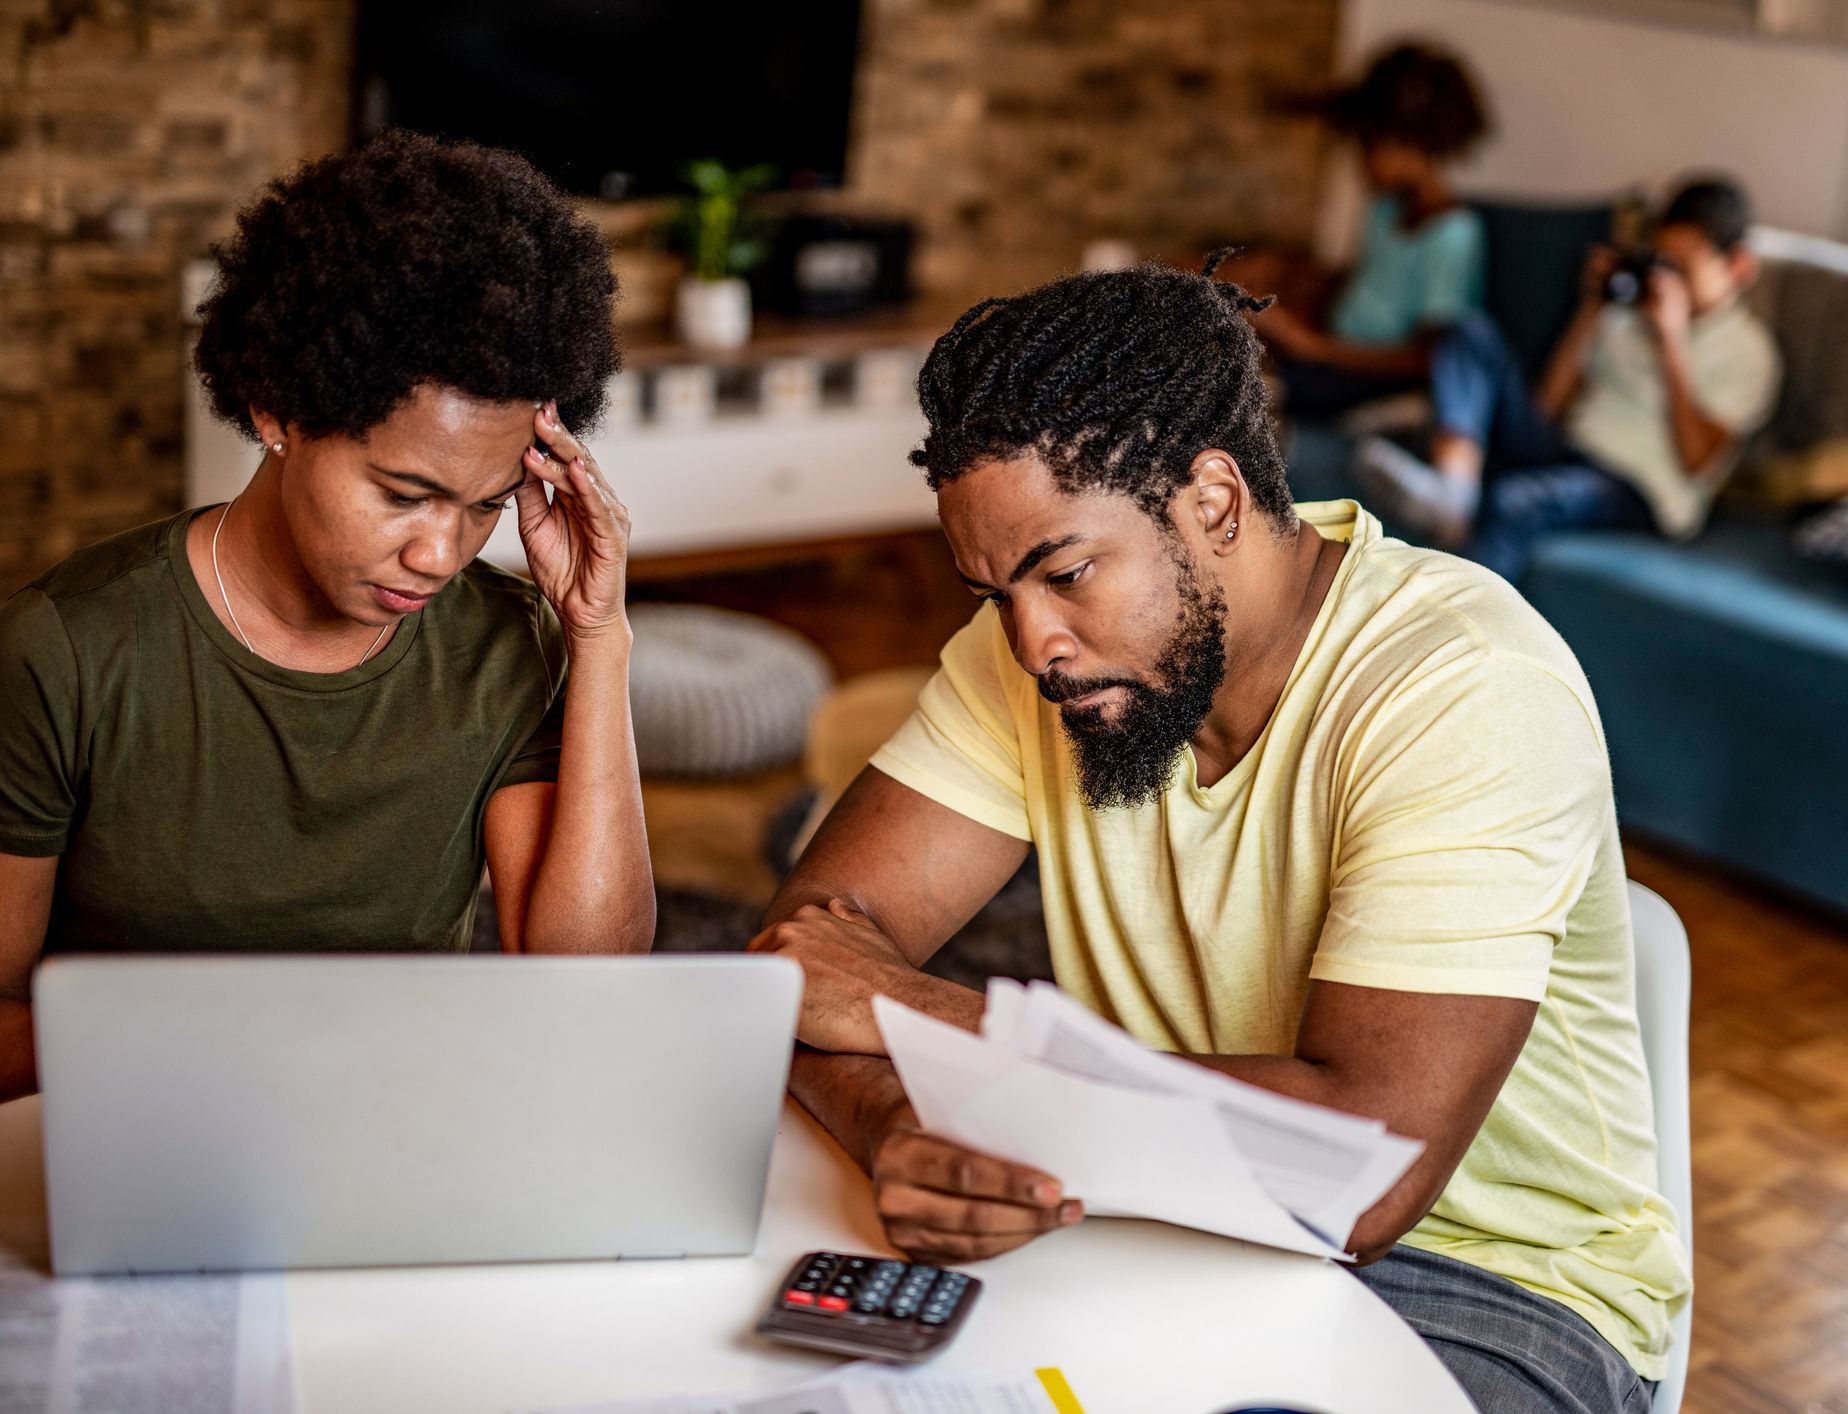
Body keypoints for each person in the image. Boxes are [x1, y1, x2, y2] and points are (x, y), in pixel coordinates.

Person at [749, 258, 1686, 1413]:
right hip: (1164, 1223)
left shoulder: (1463, 685)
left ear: (1215, 501)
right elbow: (801, 963)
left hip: (1488, 1290)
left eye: (1067, 572)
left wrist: (931, 1016)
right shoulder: (1045, 662)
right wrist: (897, 1124)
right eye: (995, 594)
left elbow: (1362, 1176)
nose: (1033, 639)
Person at [0, 132, 657, 1104]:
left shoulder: (505, 643)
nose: (440, 554)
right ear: (279, 410)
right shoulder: (68, 651)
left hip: (392, 1124)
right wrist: (220, 1058)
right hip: (138, 1127)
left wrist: (598, 636)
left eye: (484, 506)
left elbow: (583, 987)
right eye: (402, 493)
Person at [1355, 175, 1783, 582]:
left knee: (1517, 500)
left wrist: (1671, 342)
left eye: (1684, 271)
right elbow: (1549, 405)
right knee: (1467, 331)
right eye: (1663, 264)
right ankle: (1453, 492)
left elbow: (1697, 463)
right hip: (1570, 451)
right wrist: (1591, 307)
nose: (1668, 282)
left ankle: (1455, 645)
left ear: (1739, 267)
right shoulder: (1629, 316)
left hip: (1640, 490)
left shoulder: (1749, 351)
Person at [1242, 42, 1492, 418]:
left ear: (1412, 144)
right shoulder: (1386, 209)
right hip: (1334, 350)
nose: (1361, 163)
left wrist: (1312, 346)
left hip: (1370, 378)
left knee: (1251, 390)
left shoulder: (1453, 234)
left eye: (1369, 147)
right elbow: (1369, 286)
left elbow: (1425, 358)